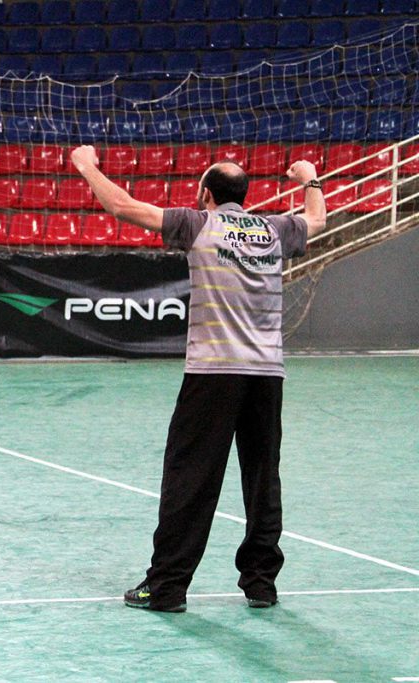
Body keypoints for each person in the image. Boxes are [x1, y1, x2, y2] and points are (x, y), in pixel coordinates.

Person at [69, 146, 327, 612]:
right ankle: (261, 584)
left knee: (189, 478)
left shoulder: (197, 224)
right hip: (266, 375)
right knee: (262, 479)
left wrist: (87, 166)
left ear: (206, 193)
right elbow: (317, 219)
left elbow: (123, 207)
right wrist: (310, 177)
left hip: (213, 374)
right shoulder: (274, 229)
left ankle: (166, 587)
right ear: (243, 196)